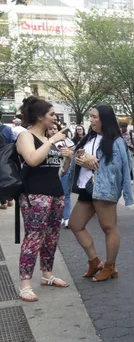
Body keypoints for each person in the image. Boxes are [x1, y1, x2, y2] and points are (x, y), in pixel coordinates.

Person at [16, 97, 72, 302]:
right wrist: (51, 141)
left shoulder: (50, 139)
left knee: (51, 237)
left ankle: (47, 274)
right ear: (40, 117)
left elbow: (59, 173)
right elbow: (32, 160)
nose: (54, 118)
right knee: (33, 237)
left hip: (55, 192)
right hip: (34, 194)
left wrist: (66, 158)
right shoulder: (26, 136)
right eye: (51, 114)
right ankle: (25, 284)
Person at [68, 105, 133, 282]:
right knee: (75, 224)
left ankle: (110, 266)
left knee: (108, 228)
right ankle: (95, 261)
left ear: (104, 119)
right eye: (90, 116)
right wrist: (80, 156)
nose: (91, 119)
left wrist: (93, 163)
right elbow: (80, 155)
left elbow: (120, 169)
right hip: (87, 188)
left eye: (94, 116)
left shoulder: (116, 142)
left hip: (105, 190)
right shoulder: (90, 137)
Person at [47, 123, 75, 228]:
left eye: (55, 129)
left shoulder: (65, 140)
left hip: (64, 170)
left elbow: (74, 150)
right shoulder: (45, 141)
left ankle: (66, 218)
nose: (53, 131)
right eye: (50, 129)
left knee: (65, 194)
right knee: (52, 196)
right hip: (50, 173)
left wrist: (68, 153)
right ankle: (55, 217)